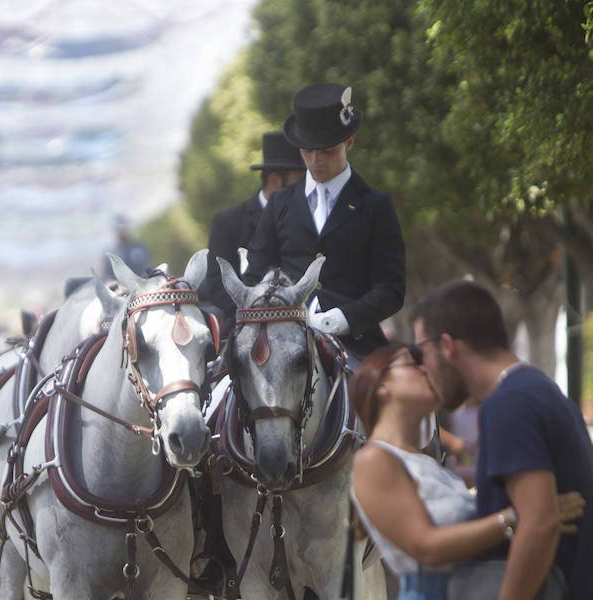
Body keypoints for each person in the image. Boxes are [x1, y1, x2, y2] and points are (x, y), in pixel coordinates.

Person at [349, 342, 585, 599]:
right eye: (411, 364)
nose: (425, 368)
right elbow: (426, 546)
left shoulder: (424, 462)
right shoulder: (373, 459)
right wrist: (517, 518)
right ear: (382, 386)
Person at [410, 280, 593, 599]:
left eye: (420, 352)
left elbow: (539, 524)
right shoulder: (536, 389)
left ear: (448, 345)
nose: (421, 368)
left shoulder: (507, 404)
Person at [242, 83, 405, 362]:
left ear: (349, 142)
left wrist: (343, 318)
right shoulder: (279, 205)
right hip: (281, 341)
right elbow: (255, 275)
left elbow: (391, 288)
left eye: (327, 151)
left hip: (355, 343)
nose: (316, 161)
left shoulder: (375, 205)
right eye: (307, 151)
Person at [200, 131, 307, 331]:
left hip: (302, 322)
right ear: (275, 181)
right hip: (245, 325)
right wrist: (257, 313)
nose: (305, 186)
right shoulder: (228, 222)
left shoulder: (308, 218)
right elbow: (217, 284)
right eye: (299, 179)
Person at [100, 215, 151, 279]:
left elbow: (148, 268)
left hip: (143, 284)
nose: (122, 233)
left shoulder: (139, 247)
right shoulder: (110, 253)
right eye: (119, 230)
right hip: (120, 286)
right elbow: (107, 276)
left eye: (124, 229)